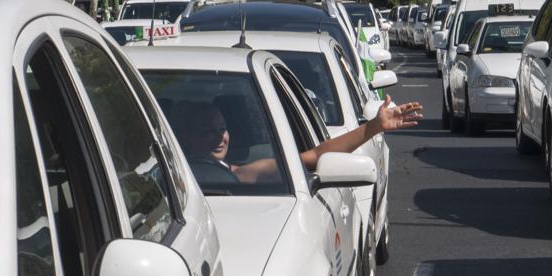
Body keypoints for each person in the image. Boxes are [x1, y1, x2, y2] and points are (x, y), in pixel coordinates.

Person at [174, 96, 422, 184]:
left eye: (222, 128)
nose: (220, 137)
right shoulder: (168, 179)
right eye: (208, 131)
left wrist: (374, 127)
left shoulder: (243, 174)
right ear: (185, 137)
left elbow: (315, 156)